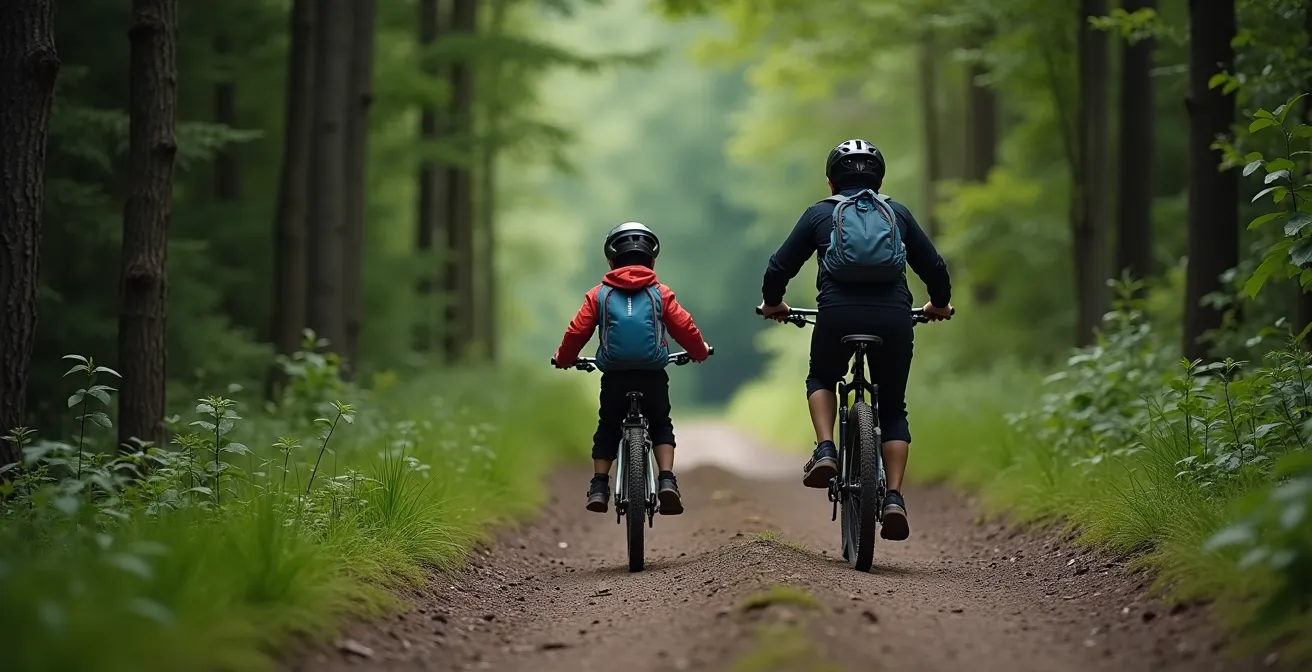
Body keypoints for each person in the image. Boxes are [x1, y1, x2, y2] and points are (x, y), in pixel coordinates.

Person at [757, 138, 953, 542]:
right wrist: (938, 304)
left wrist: (774, 303)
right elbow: (934, 267)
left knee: (822, 377)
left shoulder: (819, 214)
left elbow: (779, 267)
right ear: (879, 181)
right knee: (893, 407)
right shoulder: (896, 213)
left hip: (837, 314)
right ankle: (894, 497)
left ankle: (826, 448)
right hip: (894, 317)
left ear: (831, 182)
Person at [555, 222, 711, 516]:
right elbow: (685, 328)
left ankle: (599, 485)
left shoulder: (598, 295)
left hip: (615, 376)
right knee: (661, 423)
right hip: (652, 375)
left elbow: (577, 332)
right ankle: (667, 480)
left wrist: (564, 359)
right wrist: (699, 351)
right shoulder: (660, 293)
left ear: (611, 261)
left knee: (607, 426)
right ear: (652, 261)